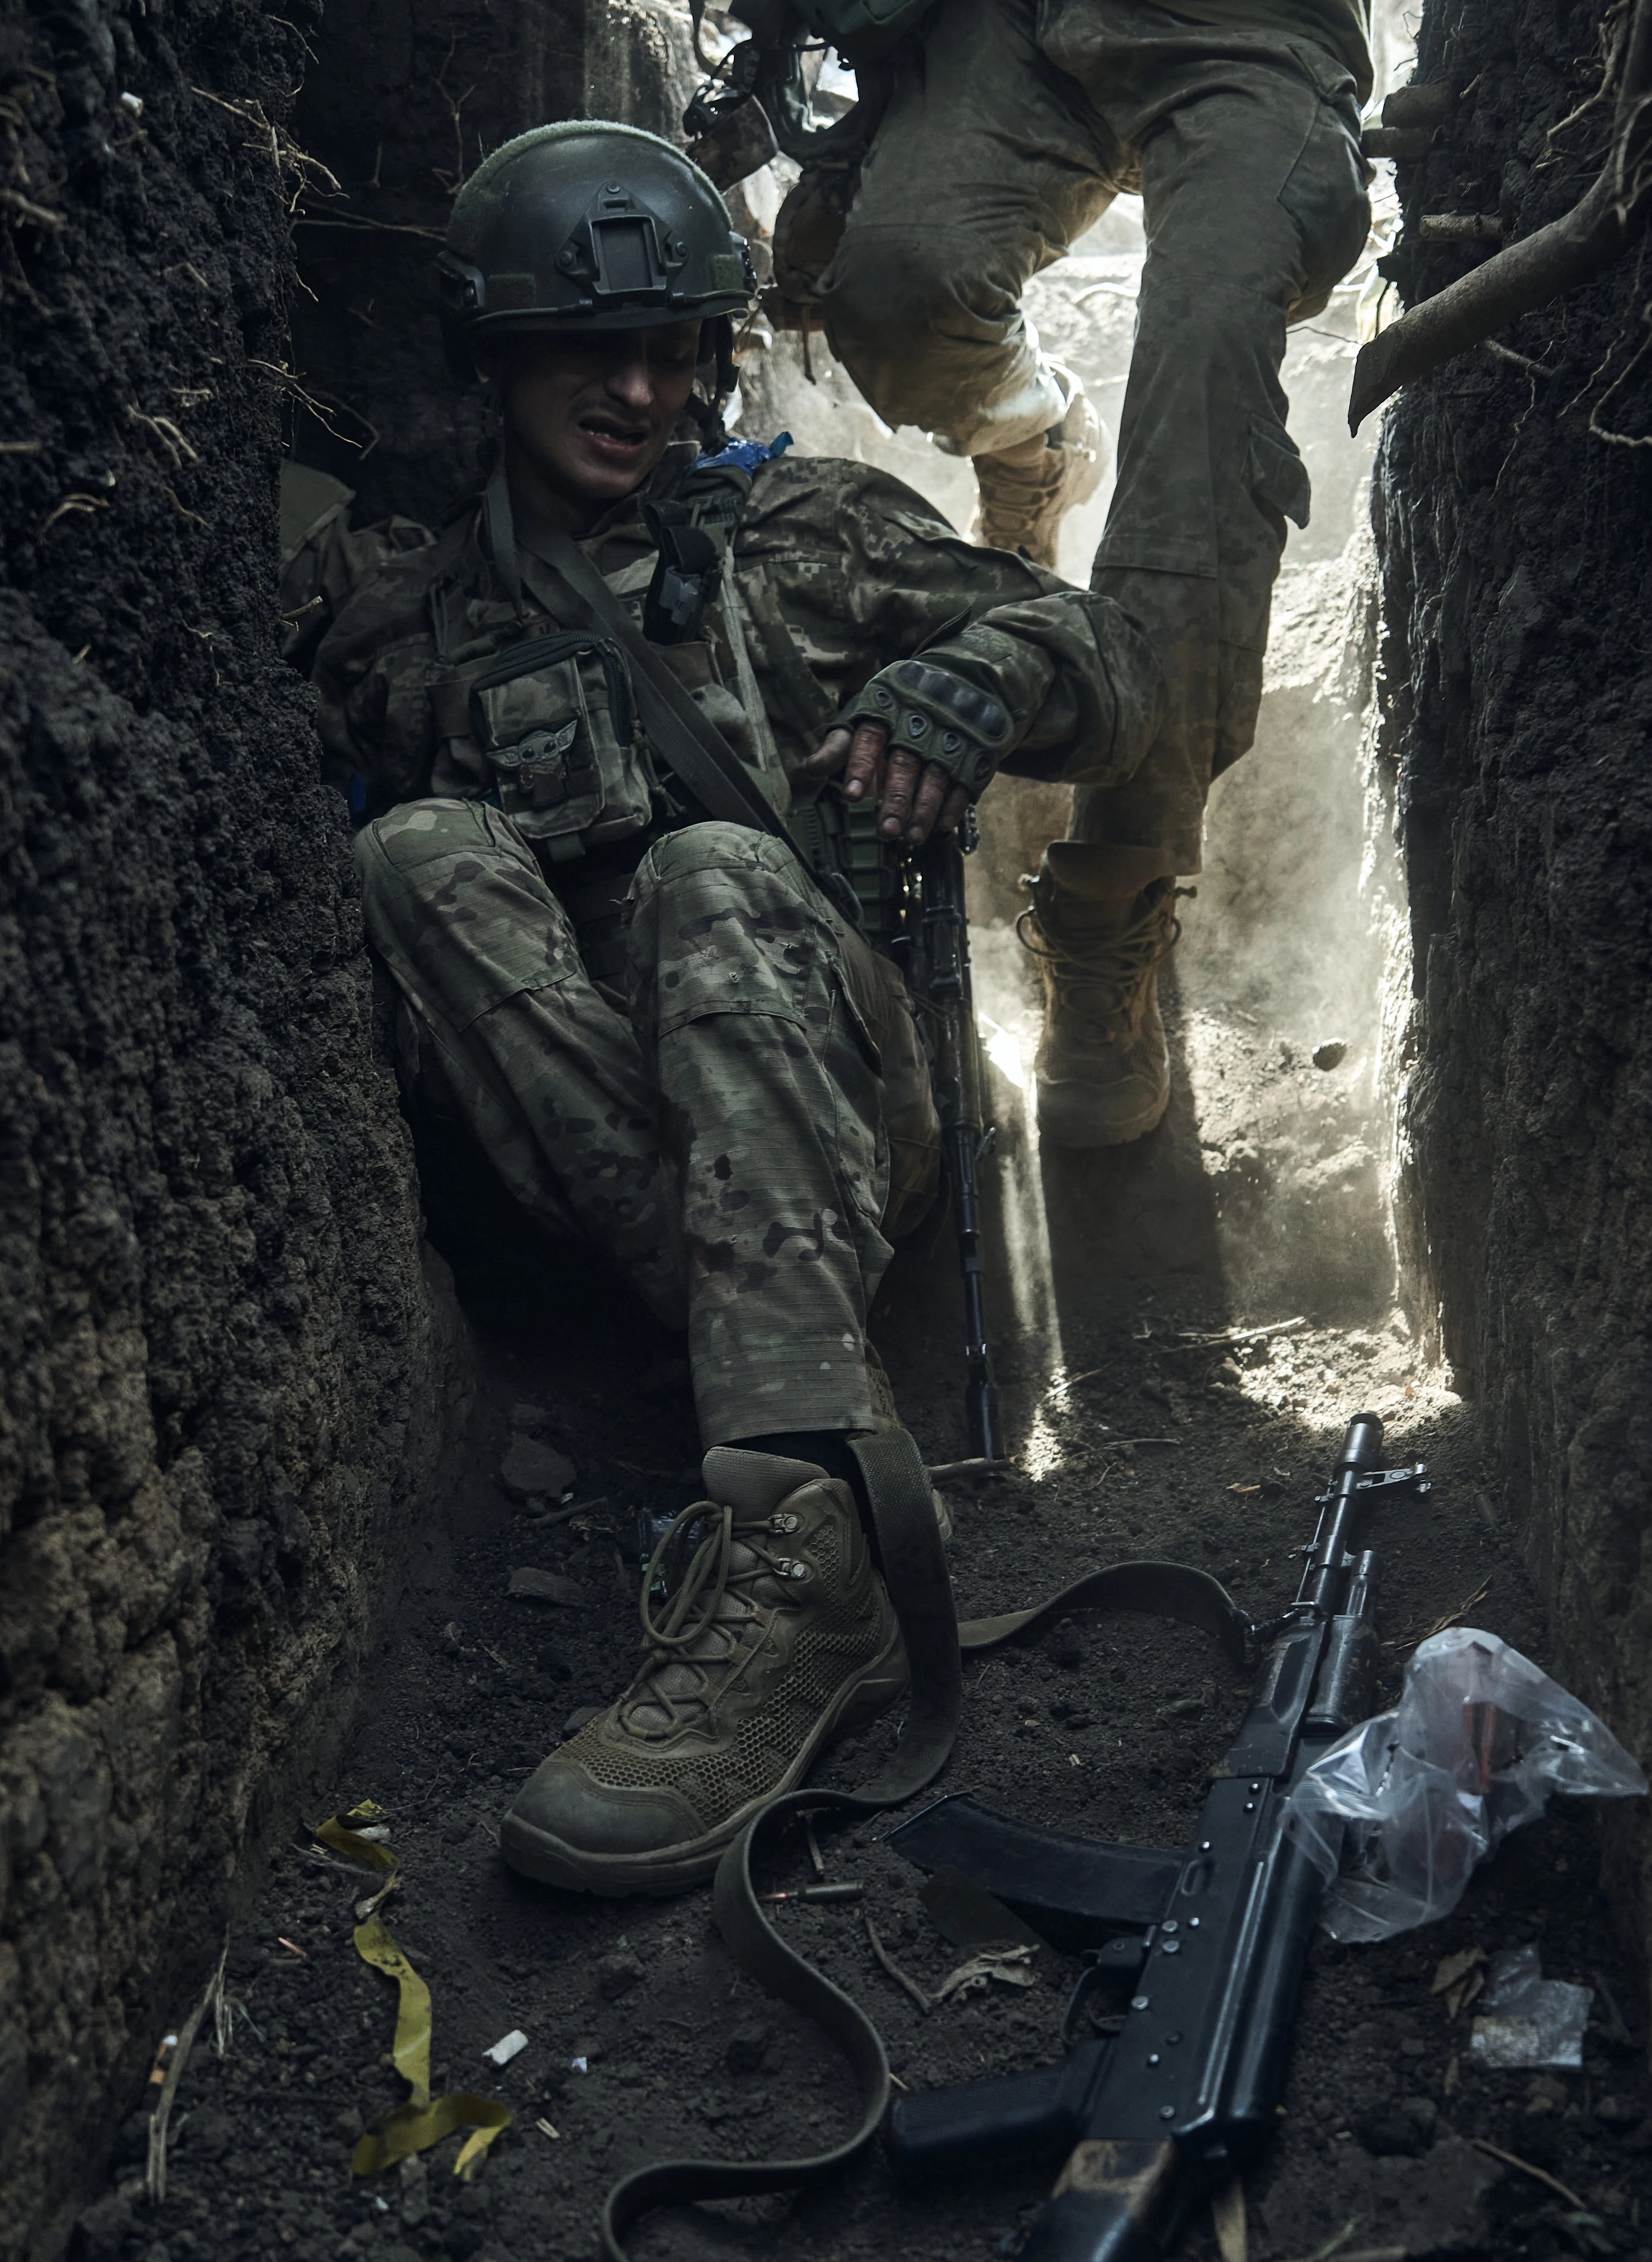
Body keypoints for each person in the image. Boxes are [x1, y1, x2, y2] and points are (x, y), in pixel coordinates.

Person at [283, 120, 1151, 1897]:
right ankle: (790, 1423)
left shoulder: (799, 534)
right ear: (492, 357)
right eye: (586, 349)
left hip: (838, 1103)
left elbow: (1108, 665)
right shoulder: (410, 616)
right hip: (605, 1162)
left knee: (709, 875)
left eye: (668, 346)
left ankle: (807, 1540)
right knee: (417, 855)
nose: (635, 388)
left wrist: (974, 676)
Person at [804, 0, 1375, 1147]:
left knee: (1204, 395)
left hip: (1248, 25)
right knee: (896, 289)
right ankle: (1038, 446)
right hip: (1018, 17)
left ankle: (1109, 898)